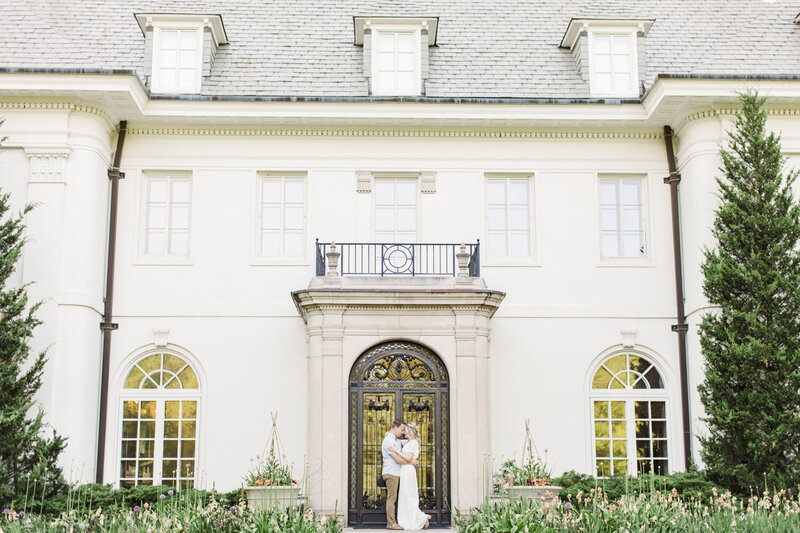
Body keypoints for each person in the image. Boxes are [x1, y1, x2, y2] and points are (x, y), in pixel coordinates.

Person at [389, 422, 431, 530]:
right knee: (405, 497)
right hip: (404, 471)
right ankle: (418, 518)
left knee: (409, 497)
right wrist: (388, 435)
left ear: (410, 432)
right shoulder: (408, 442)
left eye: (405, 430)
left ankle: (421, 518)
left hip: (408, 472)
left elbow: (408, 459)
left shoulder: (413, 443)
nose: (403, 432)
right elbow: (397, 440)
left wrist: (396, 451)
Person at [382, 419, 418, 530]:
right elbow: (397, 459)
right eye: (402, 429)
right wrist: (412, 462)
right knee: (392, 498)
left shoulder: (395, 440)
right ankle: (391, 523)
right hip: (391, 473)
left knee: (399, 498)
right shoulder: (389, 441)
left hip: (397, 473)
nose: (403, 432)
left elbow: (408, 445)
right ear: (395, 428)